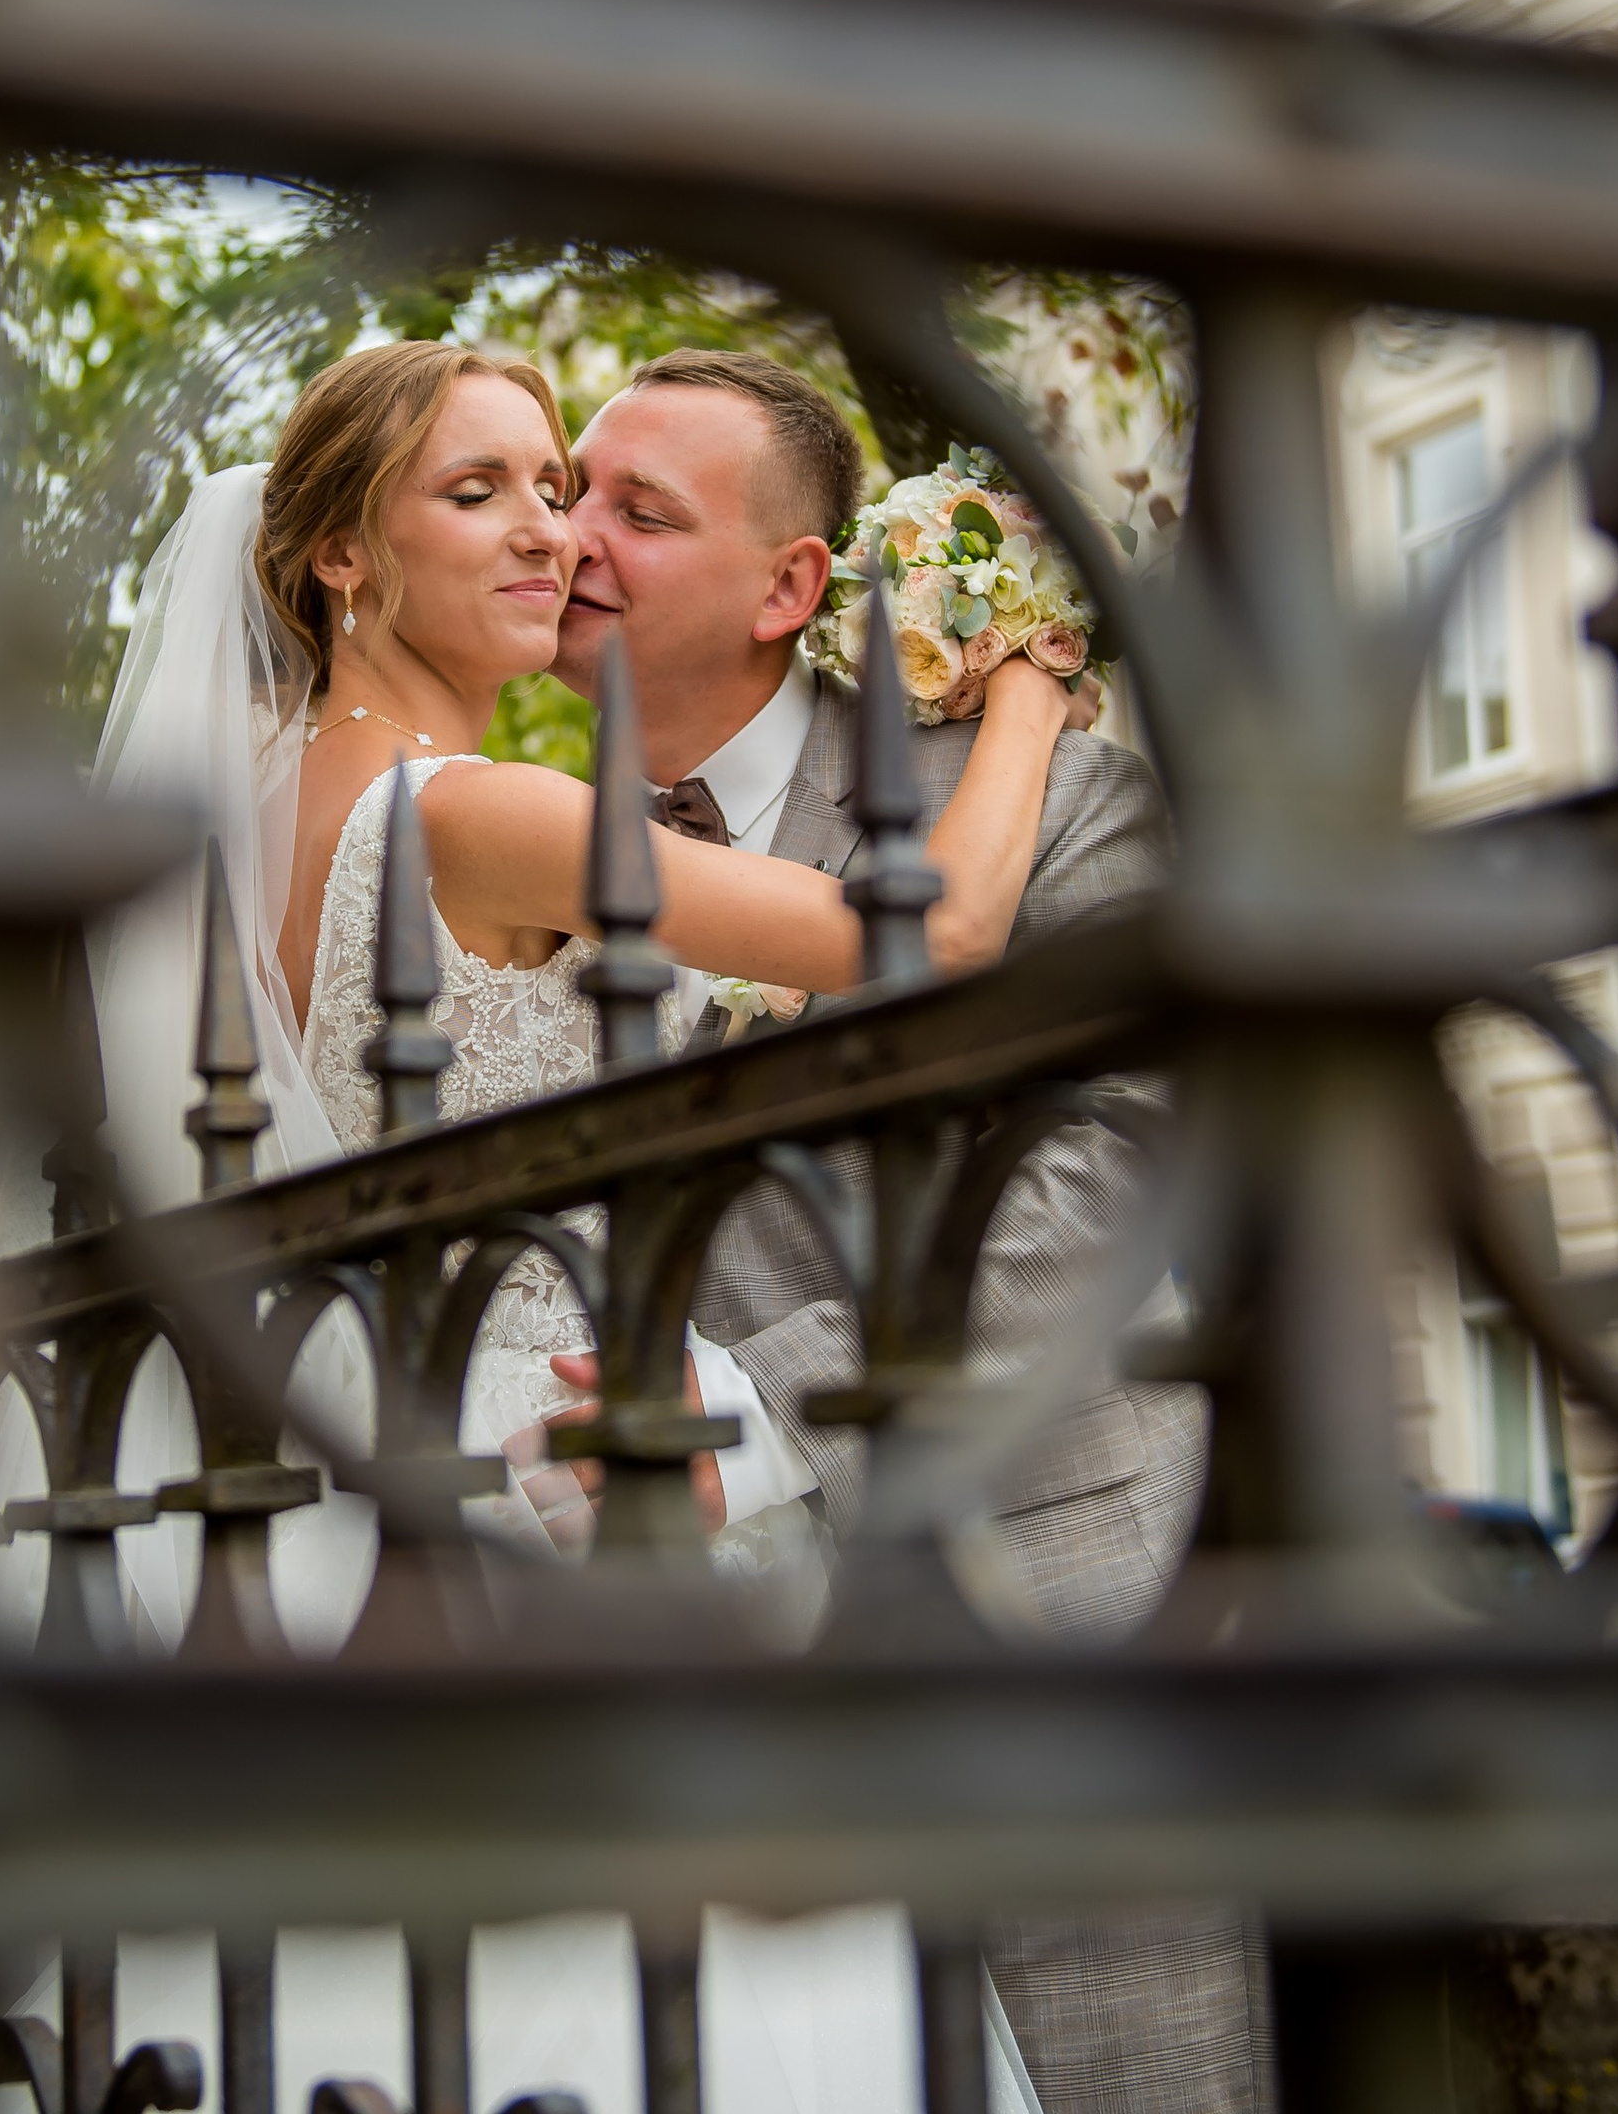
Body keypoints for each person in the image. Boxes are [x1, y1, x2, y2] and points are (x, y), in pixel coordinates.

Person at [85, 336, 1084, 2114]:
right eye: (481, 495)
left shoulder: (244, 816)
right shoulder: (485, 811)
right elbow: (935, 937)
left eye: (557, 489)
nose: (549, 533)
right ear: (337, 555)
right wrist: (1025, 684)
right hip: (540, 1451)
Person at [540, 350, 1269, 2114]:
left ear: (795, 588)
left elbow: (1116, 1178)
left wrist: (762, 1410)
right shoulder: (540, 870)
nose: (573, 537)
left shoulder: (1048, 802)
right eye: (570, 489)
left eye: (643, 511)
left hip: (1042, 1590)